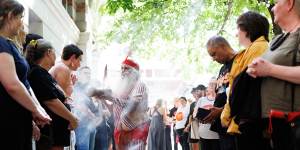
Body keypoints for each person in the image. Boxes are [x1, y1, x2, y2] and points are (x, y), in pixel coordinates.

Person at [247, 0, 300, 149]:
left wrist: (270, 70)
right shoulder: (278, 39)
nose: (273, 7)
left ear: (289, 4)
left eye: (276, 3)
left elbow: (270, 68)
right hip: (275, 126)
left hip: (294, 126)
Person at [0, 0, 51, 149]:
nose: (22, 23)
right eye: (20, 17)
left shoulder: (9, 45)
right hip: (6, 123)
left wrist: (34, 113)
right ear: (10, 16)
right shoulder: (1, 44)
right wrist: (36, 110)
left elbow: (24, 83)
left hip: (18, 121)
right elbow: (12, 85)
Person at [220, 11, 269, 150]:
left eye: (238, 29)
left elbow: (243, 85)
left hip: (251, 121)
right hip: (245, 121)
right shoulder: (251, 49)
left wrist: (227, 113)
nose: (236, 34)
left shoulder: (258, 48)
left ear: (247, 29)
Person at [25, 39, 78, 150]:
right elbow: (51, 101)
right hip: (50, 134)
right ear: (48, 52)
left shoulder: (44, 74)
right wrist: (72, 118)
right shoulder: (36, 73)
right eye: (54, 52)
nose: (56, 55)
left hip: (56, 135)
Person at [91, 58, 149, 150]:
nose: (122, 71)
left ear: (135, 72)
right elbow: (113, 109)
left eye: (126, 68)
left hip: (137, 131)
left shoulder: (140, 85)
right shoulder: (121, 88)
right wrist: (102, 99)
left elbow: (131, 106)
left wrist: (109, 97)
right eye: (121, 68)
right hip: (120, 133)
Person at [205, 35, 236, 150]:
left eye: (214, 54)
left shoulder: (239, 61)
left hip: (233, 123)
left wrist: (222, 110)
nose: (213, 59)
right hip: (221, 124)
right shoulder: (222, 69)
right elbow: (221, 92)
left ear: (223, 47)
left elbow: (241, 94)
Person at [193, 79, 220, 150]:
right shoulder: (202, 100)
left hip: (217, 135)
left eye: (214, 84)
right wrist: (199, 117)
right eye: (210, 84)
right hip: (203, 133)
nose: (211, 85)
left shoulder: (221, 99)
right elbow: (194, 114)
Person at [184, 85, 206, 150]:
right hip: (194, 125)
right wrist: (188, 125)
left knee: (202, 144)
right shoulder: (192, 104)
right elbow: (190, 116)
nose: (194, 95)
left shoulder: (204, 100)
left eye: (195, 93)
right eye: (193, 94)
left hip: (203, 125)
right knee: (194, 143)